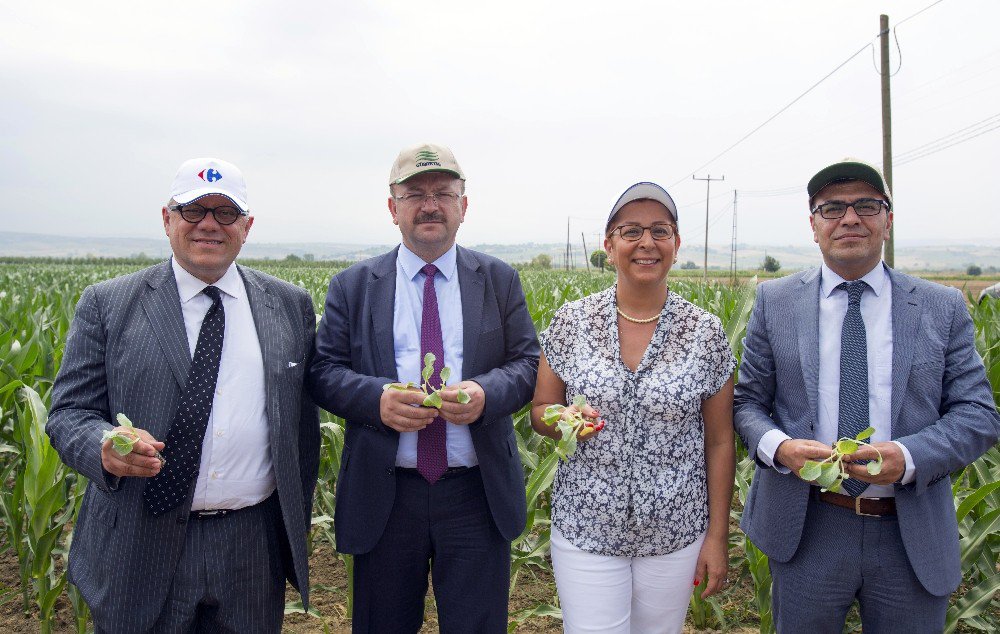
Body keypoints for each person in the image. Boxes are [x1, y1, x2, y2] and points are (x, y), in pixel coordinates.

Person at [46, 158, 320, 633]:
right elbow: (69, 413)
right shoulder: (107, 303)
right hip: (140, 541)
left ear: (247, 226)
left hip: (252, 545)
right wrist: (104, 447)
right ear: (167, 219)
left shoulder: (290, 305)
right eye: (193, 210)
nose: (209, 224)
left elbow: (303, 427)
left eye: (225, 212)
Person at [734, 158, 1000, 633]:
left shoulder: (940, 307)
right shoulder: (776, 302)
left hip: (909, 527)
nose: (850, 218)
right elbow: (748, 403)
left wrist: (910, 456)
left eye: (866, 205)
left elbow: (978, 414)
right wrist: (780, 448)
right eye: (832, 207)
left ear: (888, 220)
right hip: (807, 525)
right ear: (813, 225)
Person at [306, 143, 539, 633]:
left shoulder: (498, 280)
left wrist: (483, 394)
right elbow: (322, 370)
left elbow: (526, 364)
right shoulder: (353, 285)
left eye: (443, 193)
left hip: (475, 494)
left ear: (463, 206)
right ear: (393, 209)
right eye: (415, 194)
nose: (430, 205)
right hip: (386, 495)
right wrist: (377, 400)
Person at [530, 182, 736, 634]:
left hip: (676, 531)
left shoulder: (705, 332)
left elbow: (721, 440)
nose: (646, 243)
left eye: (660, 231)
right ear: (609, 246)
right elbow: (541, 408)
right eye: (631, 231)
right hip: (587, 527)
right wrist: (562, 420)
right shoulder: (571, 322)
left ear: (676, 245)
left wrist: (717, 537)